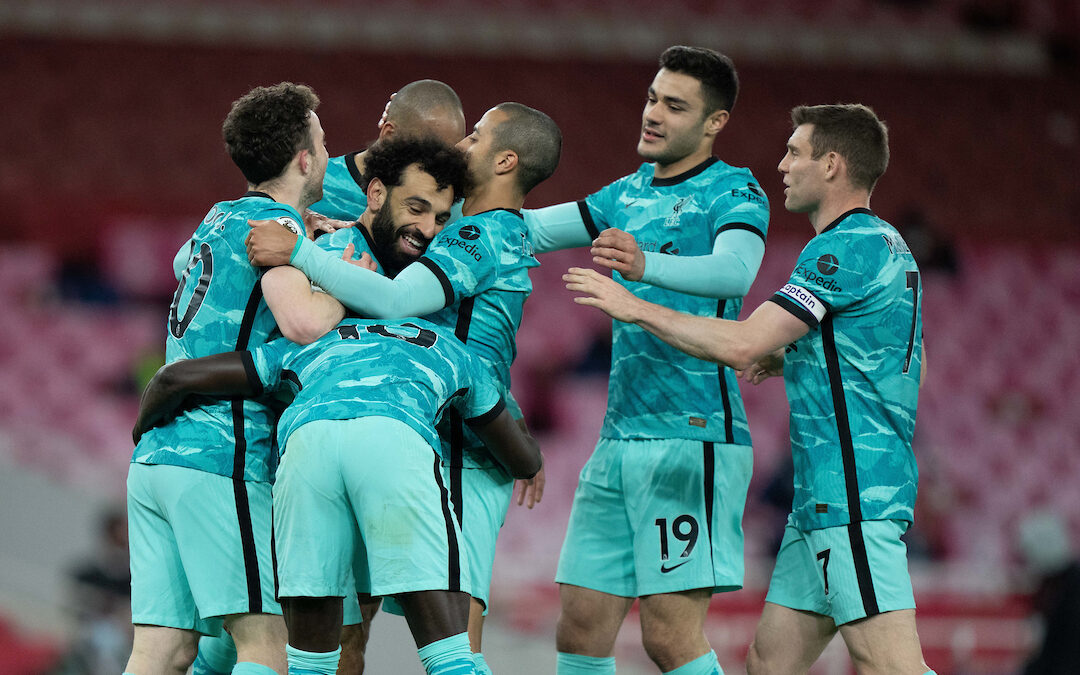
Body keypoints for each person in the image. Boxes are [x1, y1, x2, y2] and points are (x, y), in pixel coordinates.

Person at [564, 103, 935, 675]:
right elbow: (907, 361)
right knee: (768, 663)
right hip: (822, 501)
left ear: (832, 164)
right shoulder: (888, 246)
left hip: (854, 497)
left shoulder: (844, 247)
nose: (781, 164)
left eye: (794, 151)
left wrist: (632, 306)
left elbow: (742, 344)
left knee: (891, 667)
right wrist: (798, 359)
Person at [244, 101, 561, 673]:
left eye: (475, 138)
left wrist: (300, 252)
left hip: (463, 442)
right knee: (353, 631)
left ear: (506, 159)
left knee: (452, 641)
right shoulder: (463, 225)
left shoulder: (483, 233)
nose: (461, 146)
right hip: (411, 434)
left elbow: (395, 303)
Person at [520, 45, 769, 674]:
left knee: (668, 637)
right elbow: (526, 230)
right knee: (579, 629)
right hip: (619, 440)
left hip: (693, 437)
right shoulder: (623, 195)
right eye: (653, 97)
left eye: (675, 105)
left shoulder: (734, 189)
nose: (653, 113)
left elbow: (734, 271)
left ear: (714, 123)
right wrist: (395, 224)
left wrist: (643, 268)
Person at [132, 316, 543, 675]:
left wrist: (141, 434)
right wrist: (528, 455)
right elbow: (521, 459)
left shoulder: (309, 341)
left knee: (309, 663)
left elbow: (175, 378)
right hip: (394, 438)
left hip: (306, 448)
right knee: (451, 655)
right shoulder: (453, 347)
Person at [125, 82, 328, 675]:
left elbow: (184, 265)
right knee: (266, 647)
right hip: (222, 457)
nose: (325, 150)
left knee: (161, 651)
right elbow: (302, 323)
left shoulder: (217, 221)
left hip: (157, 461)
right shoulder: (276, 238)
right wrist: (328, 259)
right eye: (321, 139)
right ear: (303, 158)